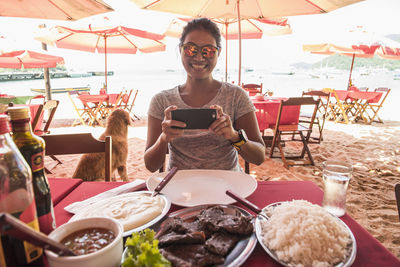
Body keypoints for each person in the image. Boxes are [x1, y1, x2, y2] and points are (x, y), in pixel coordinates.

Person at [144, 18, 265, 172]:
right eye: (190, 49)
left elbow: (259, 157)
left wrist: (234, 136)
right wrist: (163, 139)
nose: (199, 58)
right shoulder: (161, 100)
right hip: (180, 188)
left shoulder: (235, 96)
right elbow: (151, 165)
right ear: (180, 50)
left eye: (208, 50)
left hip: (228, 187)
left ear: (218, 52)